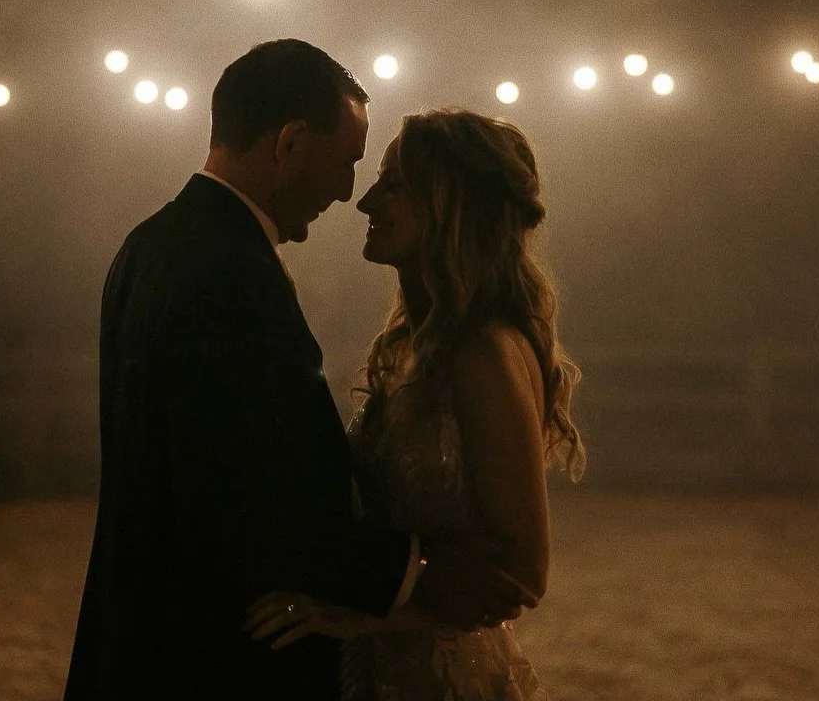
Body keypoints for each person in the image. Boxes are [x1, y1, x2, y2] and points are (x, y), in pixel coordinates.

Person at [63, 42, 538, 701]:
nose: (354, 193)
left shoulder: (153, 246)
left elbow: (241, 473)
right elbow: (250, 489)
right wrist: (403, 579)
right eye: (348, 163)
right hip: (211, 655)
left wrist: (378, 602)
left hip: (169, 641)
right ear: (288, 143)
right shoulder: (229, 269)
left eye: (385, 180)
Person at [244, 108, 586, 700]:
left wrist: (359, 617)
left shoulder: (483, 353)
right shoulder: (416, 348)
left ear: (455, 203)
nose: (366, 200)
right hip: (375, 672)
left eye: (394, 183)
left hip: (442, 678)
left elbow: (523, 573)